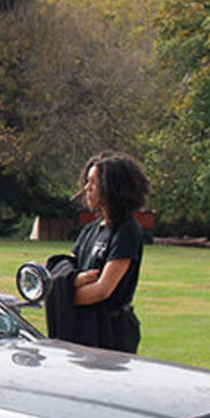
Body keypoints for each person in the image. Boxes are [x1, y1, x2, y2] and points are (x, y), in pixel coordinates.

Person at [66, 150, 151, 353]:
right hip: (85, 327)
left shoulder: (127, 230)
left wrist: (62, 296)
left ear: (112, 187)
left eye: (93, 182)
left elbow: (103, 290)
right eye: (87, 181)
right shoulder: (90, 230)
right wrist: (72, 281)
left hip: (113, 332)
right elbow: (67, 268)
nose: (87, 188)